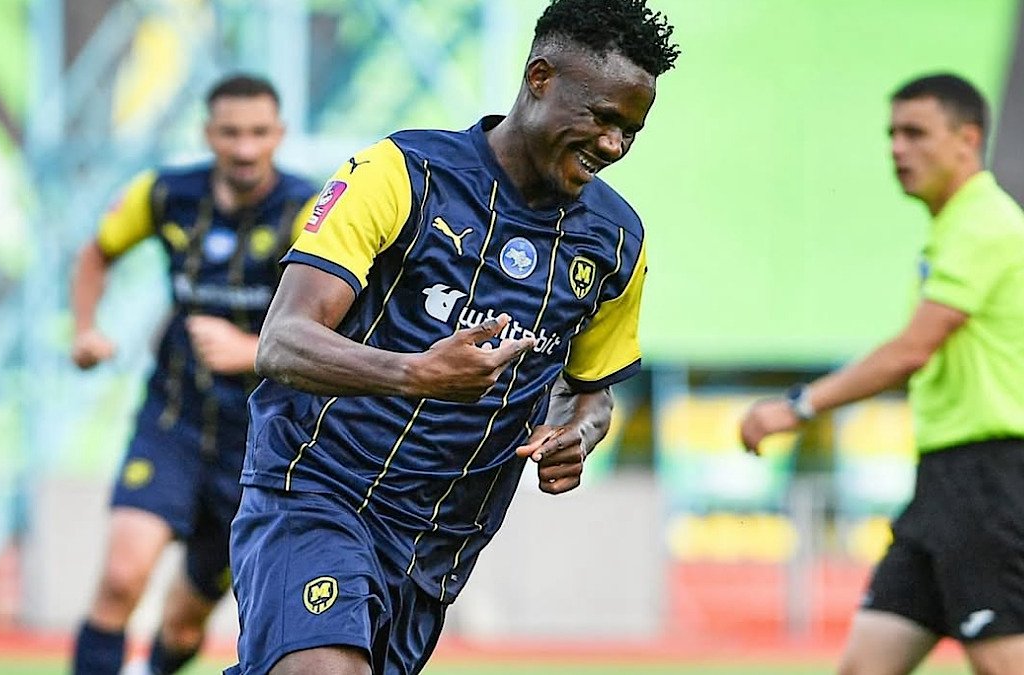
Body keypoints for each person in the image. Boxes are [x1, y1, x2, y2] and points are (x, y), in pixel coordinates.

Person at [223, 2, 679, 674]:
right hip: (316, 489)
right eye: (602, 118)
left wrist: (576, 436)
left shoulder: (616, 243)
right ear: (540, 78)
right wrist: (415, 373)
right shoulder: (402, 171)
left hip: (439, 544)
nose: (613, 145)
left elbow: (592, 392)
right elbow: (283, 341)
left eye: (630, 132)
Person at [740, 73, 1024, 675]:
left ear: (967, 140)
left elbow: (909, 352)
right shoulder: (954, 227)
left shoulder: (983, 223)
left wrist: (797, 406)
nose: (898, 149)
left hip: (988, 479)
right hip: (944, 482)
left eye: (916, 133)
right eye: (892, 134)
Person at [68, 74, 318, 675]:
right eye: (230, 133)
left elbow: (341, 321)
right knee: (121, 579)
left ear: (279, 134)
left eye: (258, 133)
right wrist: (85, 329)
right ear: (208, 134)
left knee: (183, 624)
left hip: (259, 445)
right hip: (171, 421)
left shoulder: (309, 210)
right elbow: (96, 253)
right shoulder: (164, 194)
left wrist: (251, 351)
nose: (244, 149)